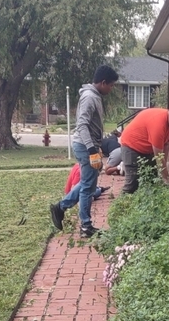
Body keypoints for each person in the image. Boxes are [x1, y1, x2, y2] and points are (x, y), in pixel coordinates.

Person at [49, 65, 119, 238]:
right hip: (85, 146)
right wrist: (92, 149)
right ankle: (85, 227)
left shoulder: (94, 96)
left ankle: (60, 207)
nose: (111, 89)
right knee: (88, 187)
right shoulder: (89, 97)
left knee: (88, 183)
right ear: (103, 82)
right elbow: (82, 125)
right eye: (111, 85)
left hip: (89, 146)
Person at [119, 105, 169, 194]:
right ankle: (123, 201)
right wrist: (167, 179)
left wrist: (163, 169)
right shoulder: (158, 125)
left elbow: (166, 145)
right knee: (132, 184)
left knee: (152, 181)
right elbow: (159, 157)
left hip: (147, 148)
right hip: (131, 145)